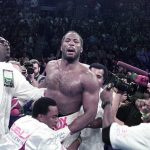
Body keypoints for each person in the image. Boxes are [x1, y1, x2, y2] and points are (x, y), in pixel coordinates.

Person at [40, 31, 100, 148]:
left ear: (81, 49)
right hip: (42, 117)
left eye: (76, 42)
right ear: (61, 47)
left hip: (68, 122)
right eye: (67, 41)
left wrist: (67, 130)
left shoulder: (88, 76)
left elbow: (91, 113)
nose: (71, 44)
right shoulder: (50, 65)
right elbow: (44, 86)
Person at [0, 37, 45, 137]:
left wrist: (50, 91)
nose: (6, 44)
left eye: (7, 42)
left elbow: (31, 93)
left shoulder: (7, 71)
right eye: (1, 42)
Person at [0, 97, 70, 150]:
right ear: (40, 116)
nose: (57, 120)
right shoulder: (45, 134)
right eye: (53, 117)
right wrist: (78, 141)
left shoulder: (22, 120)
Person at [79, 63, 108, 150]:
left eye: (98, 76)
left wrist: (79, 122)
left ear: (104, 81)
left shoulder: (107, 97)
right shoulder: (75, 91)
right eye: (90, 75)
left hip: (93, 144)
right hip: (70, 140)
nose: (93, 79)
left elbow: (102, 122)